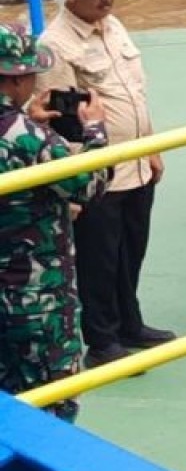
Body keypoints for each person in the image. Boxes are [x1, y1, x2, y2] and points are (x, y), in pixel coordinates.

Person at [34, 0, 175, 370]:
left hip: (135, 163)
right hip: (96, 172)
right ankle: (102, 339)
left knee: (132, 249)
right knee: (99, 259)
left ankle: (130, 323)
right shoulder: (55, 45)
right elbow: (59, 122)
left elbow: (134, 92)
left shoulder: (113, 27)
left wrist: (151, 145)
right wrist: (76, 183)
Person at [0, 22, 111, 422]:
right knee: (52, 405)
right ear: (14, 80)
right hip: (36, 297)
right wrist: (95, 132)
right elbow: (90, 185)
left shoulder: (27, 133)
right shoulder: (30, 139)